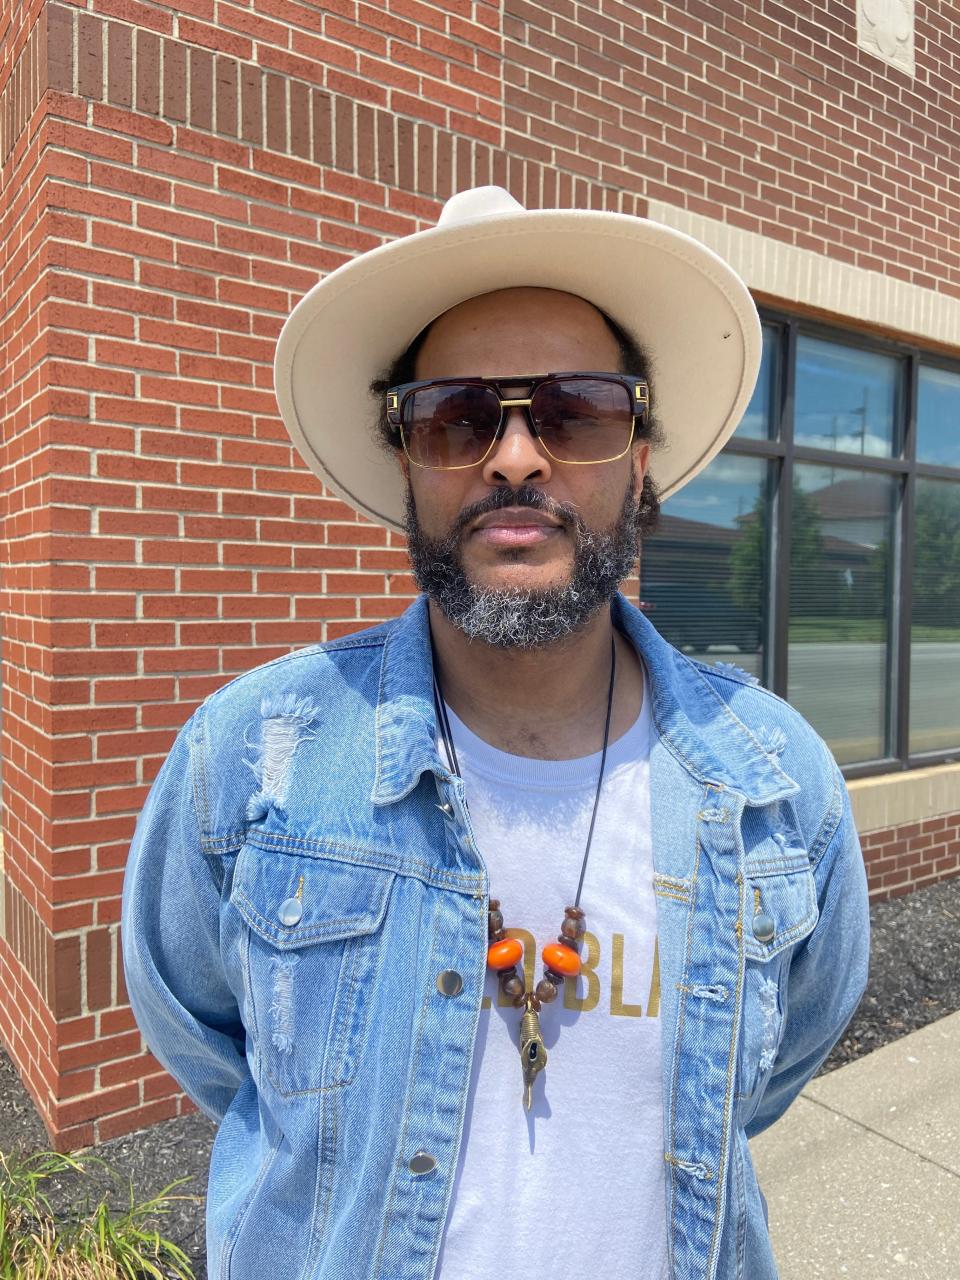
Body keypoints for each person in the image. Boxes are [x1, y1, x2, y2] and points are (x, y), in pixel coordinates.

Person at [121, 186, 869, 1280]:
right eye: (459, 417)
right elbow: (204, 1040)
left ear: (641, 455)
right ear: (407, 461)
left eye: (574, 411)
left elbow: (776, 1062)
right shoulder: (252, 755)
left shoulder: (779, 781)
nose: (516, 457)